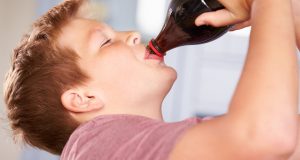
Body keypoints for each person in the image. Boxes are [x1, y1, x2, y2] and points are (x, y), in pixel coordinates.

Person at [3, 0, 300, 159]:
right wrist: (270, 5)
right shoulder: (92, 147)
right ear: (84, 98)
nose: (132, 34)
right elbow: (268, 135)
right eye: (105, 42)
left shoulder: (198, 142)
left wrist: (291, 17)